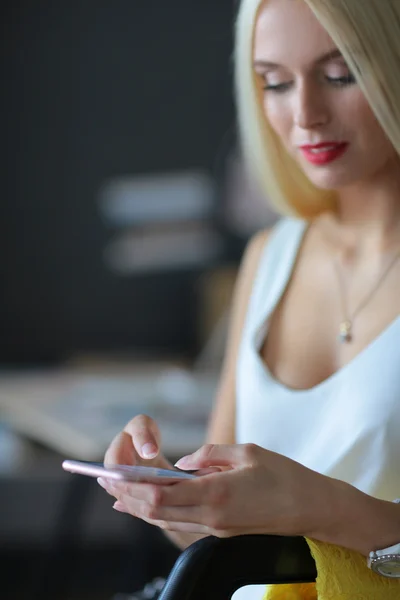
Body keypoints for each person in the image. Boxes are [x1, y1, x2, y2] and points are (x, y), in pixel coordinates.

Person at [100, 1, 400, 598]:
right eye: (276, 83)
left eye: (340, 74)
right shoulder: (269, 257)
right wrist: (174, 496)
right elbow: (219, 545)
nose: (305, 115)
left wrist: (316, 506)